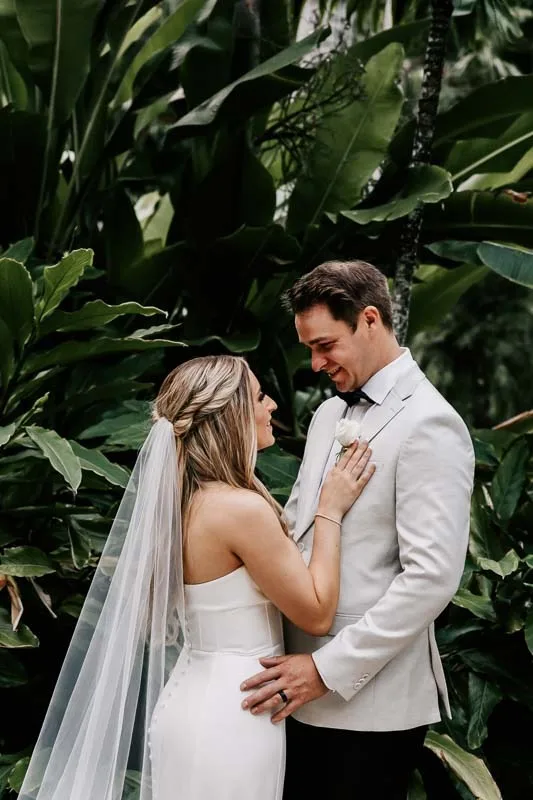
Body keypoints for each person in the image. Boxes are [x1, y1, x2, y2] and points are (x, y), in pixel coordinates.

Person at [18, 355, 374, 800]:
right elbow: (317, 612)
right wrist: (330, 509)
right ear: (232, 414)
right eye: (260, 396)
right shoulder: (239, 509)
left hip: (195, 698)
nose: (272, 407)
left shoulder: (187, 504)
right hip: (234, 714)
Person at [240, 261, 475, 800]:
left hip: (367, 707)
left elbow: (432, 580)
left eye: (325, 346)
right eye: (309, 349)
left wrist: (325, 669)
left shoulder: (431, 424)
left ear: (370, 319)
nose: (316, 363)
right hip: (293, 690)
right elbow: (296, 531)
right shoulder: (327, 416)